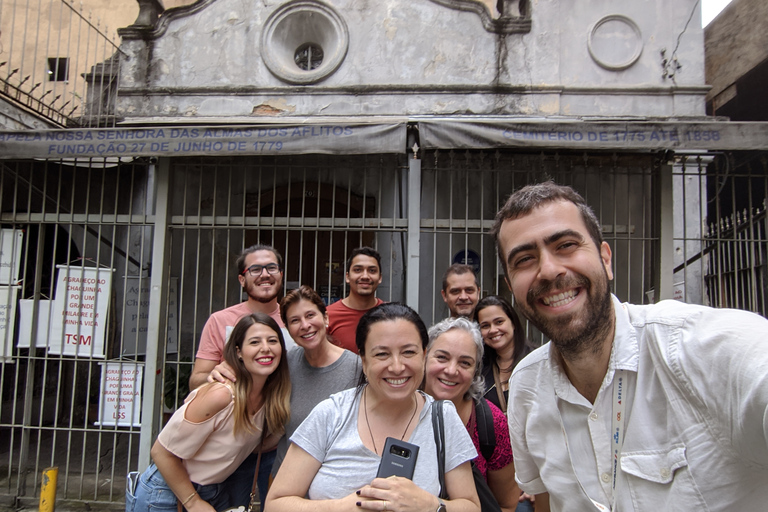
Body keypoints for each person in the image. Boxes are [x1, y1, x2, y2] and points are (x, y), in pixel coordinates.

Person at [491, 181, 768, 511]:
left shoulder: (704, 346)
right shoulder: (526, 387)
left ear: (605, 259)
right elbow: (546, 502)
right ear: (511, 286)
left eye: (565, 245)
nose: (549, 270)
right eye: (524, 259)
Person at [265, 302, 481, 512]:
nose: (397, 367)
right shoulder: (331, 414)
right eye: (381, 354)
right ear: (364, 360)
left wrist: (431, 505)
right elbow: (275, 503)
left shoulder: (442, 418)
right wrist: (340, 508)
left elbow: (471, 505)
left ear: (424, 355)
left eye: (408, 352)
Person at [127, 313, 291, 512]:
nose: (265, 348)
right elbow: (160, 452)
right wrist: (193, 502)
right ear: (239, 352)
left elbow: (255, 446)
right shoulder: (221, 394)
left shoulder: (270, 400)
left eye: (272, 341)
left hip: (214, 491)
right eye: (254, 342)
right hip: (168, 493)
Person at [188, 243, 294, 509]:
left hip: (285, 439)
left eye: (272, 267)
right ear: (242, 278)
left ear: (281, 274)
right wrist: (214, 374)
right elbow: (196, 380)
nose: (265, 274)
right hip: (237, 443)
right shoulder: (220, 320)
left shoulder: (295, 320)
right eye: (255, 269)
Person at [423, 317, 522, 512]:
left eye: (465, 363)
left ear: (476, 371)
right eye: (442, 357)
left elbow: (506, 505)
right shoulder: (395, 409)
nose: (451, 370)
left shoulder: (492, 424)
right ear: (424, 357)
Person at [271, 285, 362, 476]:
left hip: (333, 486)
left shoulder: (357, 369)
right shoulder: (284, 364)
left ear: (326, 318)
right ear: (288, 329)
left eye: (310, 315)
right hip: (285, 479)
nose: (305, 325)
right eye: (295, 320)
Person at [473, 296, 532, 413]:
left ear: (513, 323)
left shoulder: (535, 361)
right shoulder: (479, 368)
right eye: (485, 326)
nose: (493, 330)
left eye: (499, 322)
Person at [326, 247, 384, 353]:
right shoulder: (328, 316)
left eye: (372, 271)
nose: (365, 276)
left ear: (380, 278)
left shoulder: (391, 314)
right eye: (358, 270)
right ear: (347, 277)